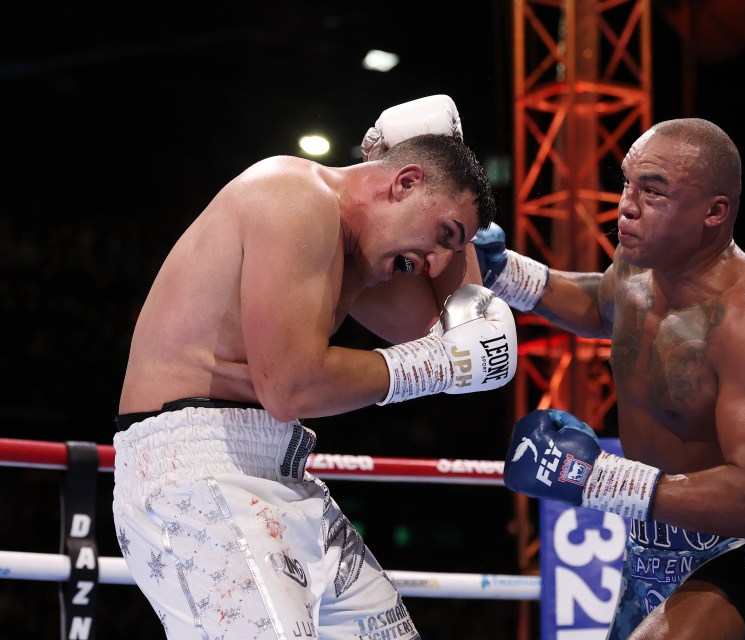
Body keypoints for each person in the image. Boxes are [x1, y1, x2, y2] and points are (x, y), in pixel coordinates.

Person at [112, 95, 518, 639]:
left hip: (280, 472)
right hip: (196, 469)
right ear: (404, 182)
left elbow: (444, 330)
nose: (435, 262)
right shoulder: (293, 196)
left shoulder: (357, 257)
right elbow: (291, 388)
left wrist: (455, 164)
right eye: (443, 235)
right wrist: (437, 365)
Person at [477, 118, 745, 639]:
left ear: (715, 212)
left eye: (654, 191)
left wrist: (595, 479)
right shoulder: (636, 267)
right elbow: (601, 305)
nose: (627, 205)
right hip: (654, 539)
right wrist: (504, 272)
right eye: (627, 183)